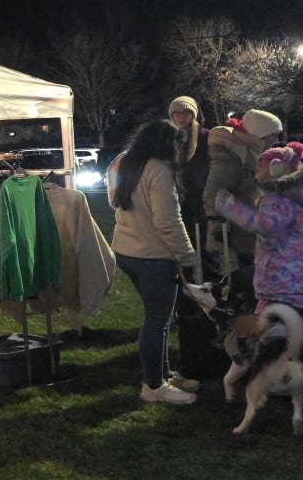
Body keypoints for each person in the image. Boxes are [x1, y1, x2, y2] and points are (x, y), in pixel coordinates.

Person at [214, 141, 303, 393]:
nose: (257, 168)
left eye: (262, 163)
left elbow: (265, 227)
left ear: (278, 168)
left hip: (283, 281)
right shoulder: (302, 195)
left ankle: (284, 378)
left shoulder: (276, 200)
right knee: (294, 327)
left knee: (274, 328)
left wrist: (229, 207)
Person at [108, 120, 198, 405]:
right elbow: (168, 221)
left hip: (126, 251)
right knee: (157, 321)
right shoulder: (159, 169)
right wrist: (187, 256)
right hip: (152, 255)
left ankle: (163, 372)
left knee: (157, 318)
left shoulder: (121, 163)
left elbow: (113, 202)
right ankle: (154, 385)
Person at [202, 109, 282, 274]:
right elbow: (214, 191)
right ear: (259, 135)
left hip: (259, 229)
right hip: (247, 232)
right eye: (272, 136)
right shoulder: (232, 157)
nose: (276, 140)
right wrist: (217, 225)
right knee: (255, 278)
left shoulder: (252, 151)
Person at [167, 96, 211, 269]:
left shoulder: (204, 136)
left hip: (200, 195)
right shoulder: (168, 137)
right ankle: (186, 276)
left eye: (185, 113)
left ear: (193, 114)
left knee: (202, 241)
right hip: (176, 195)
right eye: (176, 113)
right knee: (183, 240)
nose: (180, 117)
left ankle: (207, 276)